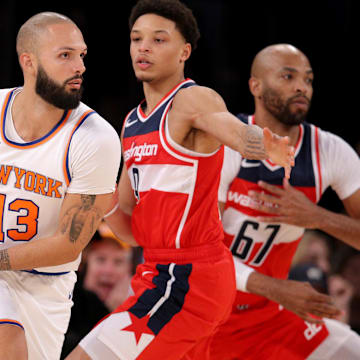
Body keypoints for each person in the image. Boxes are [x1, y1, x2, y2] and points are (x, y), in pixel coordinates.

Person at [66, 1, 295, 359]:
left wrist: (263, 145)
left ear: (184, 51)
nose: (143, 47)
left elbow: (236, 132)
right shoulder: (131, 123)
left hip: (191, 277)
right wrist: (93, 190)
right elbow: (129, 231)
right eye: (136, 39)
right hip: (157, 270)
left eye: (159, 40)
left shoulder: (192, 100)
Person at [210, 44, 360, 359]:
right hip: (208, 314)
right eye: (288, 76)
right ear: (256, 86)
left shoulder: (329, 150)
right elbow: (201, 252)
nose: (301, 86)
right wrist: (276, 288)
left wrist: (318, 217)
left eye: (308, 79)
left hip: (270, 317)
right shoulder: (226, 144)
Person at [0, 12, 121, 360]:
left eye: (82, 55)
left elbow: (69, 245)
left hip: (45, 285)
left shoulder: (95, 138)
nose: (79, 66)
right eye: (65, 55)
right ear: (29, 61)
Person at [61, 222, 134, 358]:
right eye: (101, 260)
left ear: (129, 270)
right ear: (84, 264)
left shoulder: (142, 310)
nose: (108, 271)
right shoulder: (61, 302)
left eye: (118, 262)